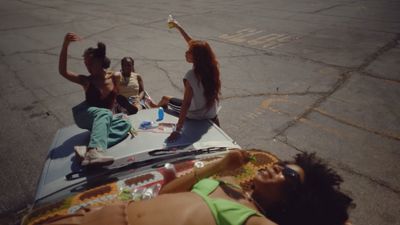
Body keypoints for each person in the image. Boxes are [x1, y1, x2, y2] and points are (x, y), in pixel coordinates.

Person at [41, 150, 354, 225]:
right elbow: (167, 194)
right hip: (90, 217)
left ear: (293, 201)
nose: (275, 166)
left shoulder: (253, 219)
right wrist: (219, 166)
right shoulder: (229, 183)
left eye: (287, 173)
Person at [59, 32, 131, 166]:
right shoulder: (87, 81)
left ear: (101, 61)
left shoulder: (115, 78)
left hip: (101, 119)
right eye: (86, 64)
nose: (87, 67)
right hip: (84, 114)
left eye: (90, 63)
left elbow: (122, 94)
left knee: (125, 124)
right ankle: (93, 153)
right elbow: (63, 72)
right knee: (105, 113)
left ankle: (87, 149)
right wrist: (65, 44)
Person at [147, 19, 221, 142]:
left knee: (165, 98)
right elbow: (193, 43)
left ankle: (155, 107)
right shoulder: (212, 68)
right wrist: (178, 27)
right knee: (168, 98)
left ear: (196, 56)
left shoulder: (191, 75)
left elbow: (186, 104)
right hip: (211, 112)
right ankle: (156, 106)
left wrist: (178, 129)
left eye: (189, 52)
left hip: (196, 114)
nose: (186, 53)